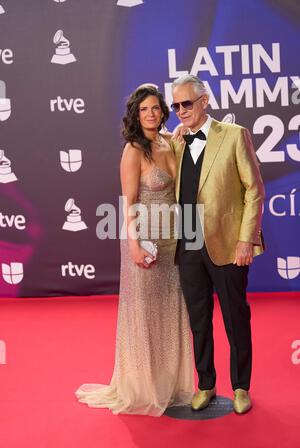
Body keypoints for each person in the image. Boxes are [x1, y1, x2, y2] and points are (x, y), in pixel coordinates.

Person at [75, 85, 194, 416]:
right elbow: (128, 204)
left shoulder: (171, 142)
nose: (151, 114)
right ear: (135, 115)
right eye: (145, 110)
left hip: (174, 239)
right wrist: (135, 245)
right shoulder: (132, 150)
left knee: (171, 310)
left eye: (156, 108)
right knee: (145, 313)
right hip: (145, 239)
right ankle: (143, 386)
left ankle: (169, 384)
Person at [171, 74, 265, 414]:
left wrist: (246, 239)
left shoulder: (234, 136)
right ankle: (205, 384)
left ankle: (241, 386)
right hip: (188, 242)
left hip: (227, 243)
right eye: (175, 105)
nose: (180, 111)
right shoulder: (177, 141)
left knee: (235, 318)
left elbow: (254, 190)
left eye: (187, 103)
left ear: (205, 101)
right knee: (198, 319)